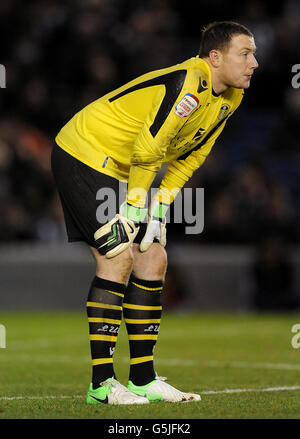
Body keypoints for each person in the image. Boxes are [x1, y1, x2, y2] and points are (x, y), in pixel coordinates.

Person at [51, 21, 258, 405]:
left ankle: (143, 379)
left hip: (122, 168)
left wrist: (159, 208)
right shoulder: (186, 85)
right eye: (245, 53)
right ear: (215, 57)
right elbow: (149, 149)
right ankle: (101, 386)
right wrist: (133, 209)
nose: (255, 63)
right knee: (117, 256)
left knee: (154, 257)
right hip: (84, 153)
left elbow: (191, 156)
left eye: (254, 54)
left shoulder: (231, 97)